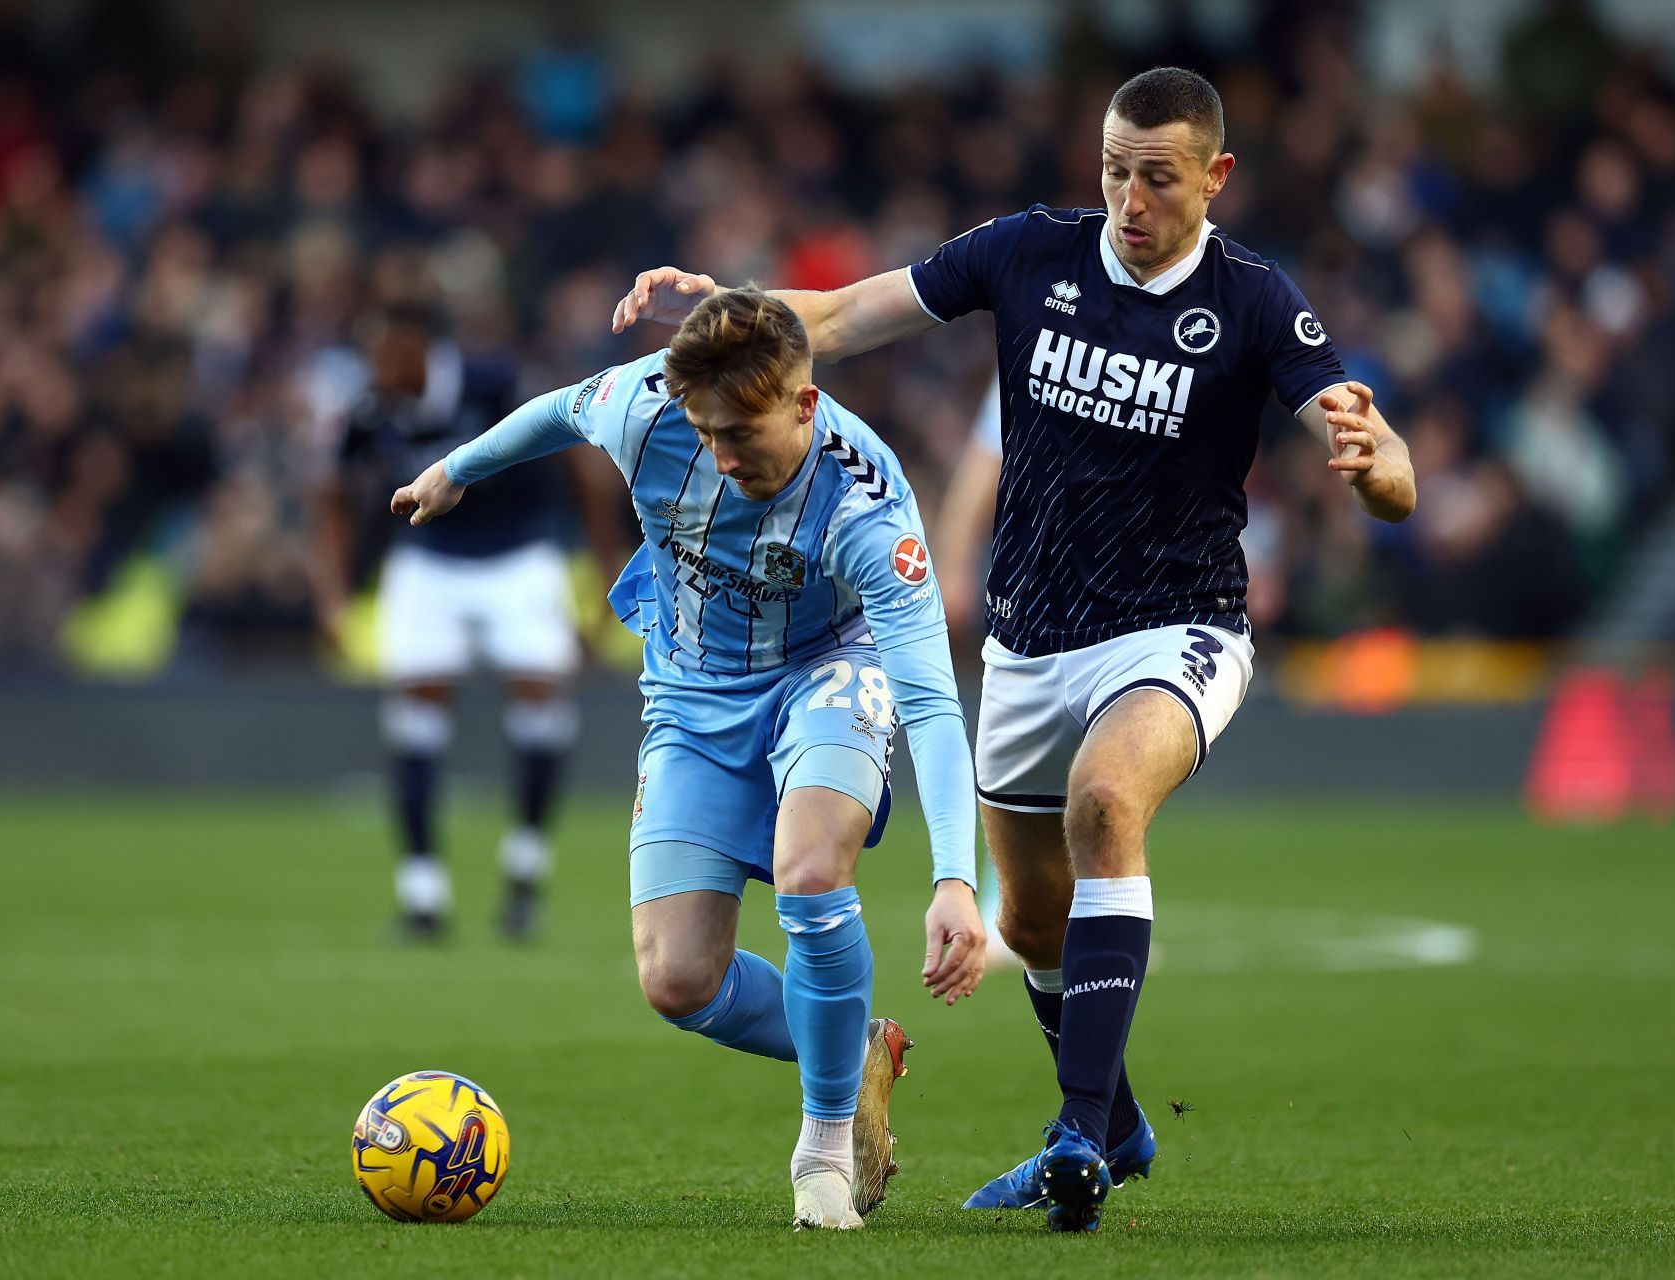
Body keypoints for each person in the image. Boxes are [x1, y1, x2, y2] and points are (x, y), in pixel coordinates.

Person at [611, 67, 1417, 1232]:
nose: (1128, 198)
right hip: (1029, 643)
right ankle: (1124, 1122)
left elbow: (1360, 432)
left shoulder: (1254, 301)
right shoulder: (1028, 252)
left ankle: (1077, 1134)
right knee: (1036, 922)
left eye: (1157, 176)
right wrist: (727, 312)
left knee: (1105, 803)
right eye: (1113, 170)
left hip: (1178, 626)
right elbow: (835, 317)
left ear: (1214, 177)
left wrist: (1381, 467)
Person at [391, 289, 988, 1230]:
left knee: (810, 867)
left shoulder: (869, 508)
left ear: (802, 403)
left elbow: (930, 700)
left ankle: (825, 1151)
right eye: (706, 432)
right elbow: (559, 411)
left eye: (742, 432)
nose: (721, 455)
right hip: (691, 696)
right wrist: (454, 472)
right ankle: (855, 1045)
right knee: (677, 981)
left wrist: (958, 878)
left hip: (826, 674)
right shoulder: (646, 406)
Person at [308, 303, 616, 942]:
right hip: (429, 562)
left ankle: (525, 870)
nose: (377, 370)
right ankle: (422, 891)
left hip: (519, 556)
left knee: (543, 699)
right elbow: (334, 494)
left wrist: (601, 562)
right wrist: (334, 594)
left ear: (421, 348)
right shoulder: (373, 409)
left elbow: (578, 463)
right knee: (416, 709)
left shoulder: (495, 384)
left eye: (387, 353)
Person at [933, 379, 1019, 971]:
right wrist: (954, 565)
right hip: (1039, 576)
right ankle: (1006, 903)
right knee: (1017, 740)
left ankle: (1062, 903)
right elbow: (984, 461)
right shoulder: (1045, 334)